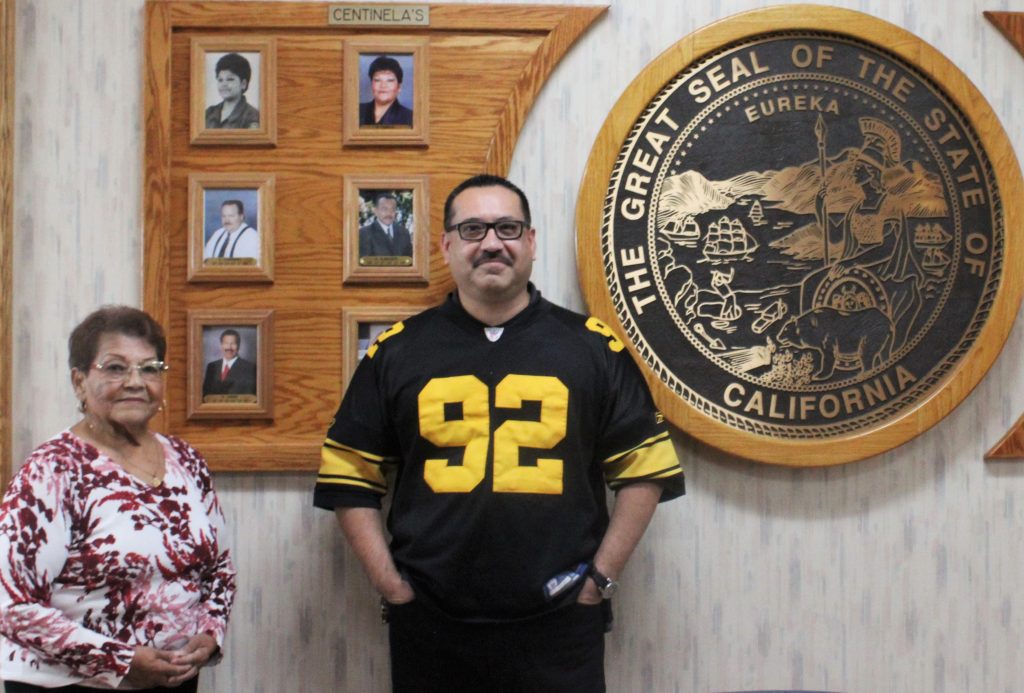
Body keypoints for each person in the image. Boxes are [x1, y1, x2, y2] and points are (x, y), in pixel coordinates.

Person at [314, 174, 685, 692]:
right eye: (472, 229)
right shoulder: (397, 352)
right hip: (432, 626)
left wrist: (599, 581)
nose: (492, 242)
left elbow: (645, 471)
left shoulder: (593, 349)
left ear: (531, 242)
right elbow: (348, 477)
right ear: (446, 245)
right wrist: (390, 585)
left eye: (507, 228)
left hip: (561, 623)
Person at [0, 306, 236, 692]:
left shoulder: (187, 460)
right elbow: (11, 605)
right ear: (79, 382)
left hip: (173, 680)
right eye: (115, 368)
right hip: (68, 684)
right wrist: (120, 661)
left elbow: (220, 571)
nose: (135, 382)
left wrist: (210, 634)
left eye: (149, 368)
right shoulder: (51, 472)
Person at [204, 52, 260, 130]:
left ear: (243, 84)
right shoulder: (209, 113)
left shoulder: (253, 116)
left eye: (230, 79)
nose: (224, 84)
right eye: (220, 80)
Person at [358, 55, 413, 127]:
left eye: (390, 80)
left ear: (399, 87)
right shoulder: (357, 111)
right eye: (377, 80)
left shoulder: (410, 118)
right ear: (371, 84)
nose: (383, 86)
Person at [202, 329, 257, 398]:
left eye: (233, 344)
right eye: (226, 343)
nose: (229, 347)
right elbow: (205, 395)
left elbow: (250, 397)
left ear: (239, 346)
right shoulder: (212, 366)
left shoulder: (249, 368)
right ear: (221, 345)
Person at [358, 192, 413, 257]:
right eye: (384, 209)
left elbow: (409, 260)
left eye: (392, 209)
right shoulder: (364, 233)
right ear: (376, 211)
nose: (389, 213)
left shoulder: (404, 232)